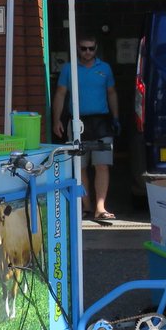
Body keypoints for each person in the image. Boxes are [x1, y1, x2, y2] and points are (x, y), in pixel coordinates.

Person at [52, 34, 119, 222]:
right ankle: (85, 205)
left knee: (102, 165)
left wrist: (116, 117)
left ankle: (100, 207)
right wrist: (56, 120)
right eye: (83, 48)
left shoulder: (105, 68)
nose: (87, 52)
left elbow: (112, 93)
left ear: (96, 48)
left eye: (91, 48)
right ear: (77, 49)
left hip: (101, 121)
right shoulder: (68, 69)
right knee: (79, 166)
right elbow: (60, 94)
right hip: (77, 122)